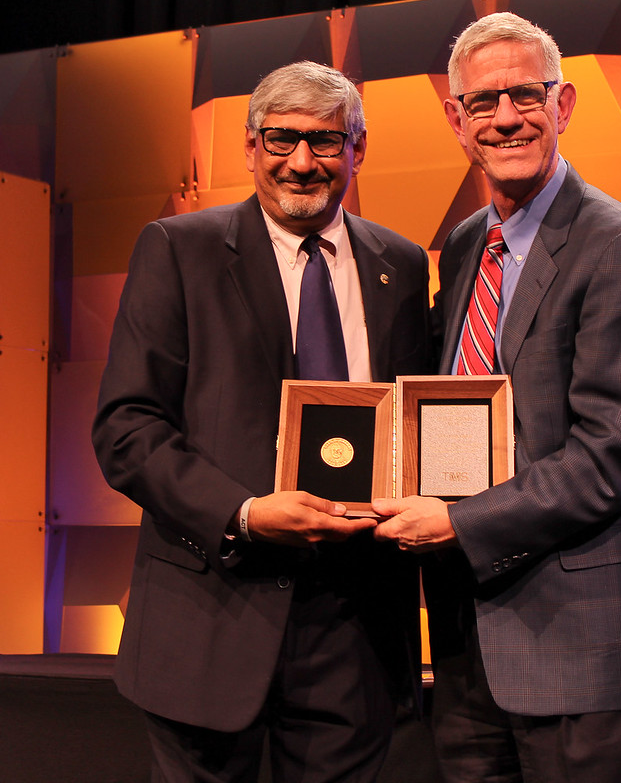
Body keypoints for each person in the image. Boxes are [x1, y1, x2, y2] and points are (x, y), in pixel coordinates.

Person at [373, 12, 621, 783]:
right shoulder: (462, 245)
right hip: (467, 646)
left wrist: (457, 522)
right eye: (483, 102)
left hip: (589, 651)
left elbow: (610, 454)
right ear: (456, 119)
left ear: (564, 104)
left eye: (526, 95)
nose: (507, 117)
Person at [92, 60, 430, 783]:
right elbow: (127, 428)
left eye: (325, 141)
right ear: (250, 147)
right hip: (211, 614)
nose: (301, 163)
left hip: (356, 632)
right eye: (281, 140)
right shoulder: (177, 249)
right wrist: (242, 514)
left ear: (357, 150)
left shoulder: (401, 265)